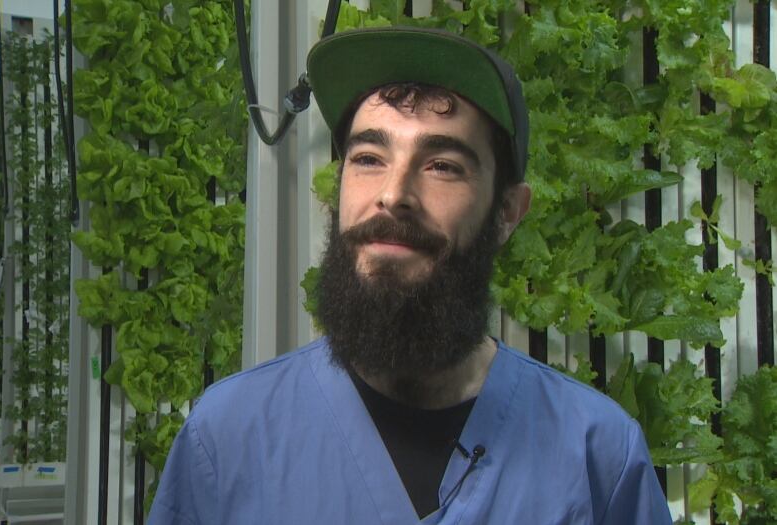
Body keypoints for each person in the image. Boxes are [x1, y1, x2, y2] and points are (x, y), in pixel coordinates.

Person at [148, 27, 672, 524]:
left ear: (508, 212)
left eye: (442, 165)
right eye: (369, 157)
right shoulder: (227, 439)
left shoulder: (598, 457)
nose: (394, 193)